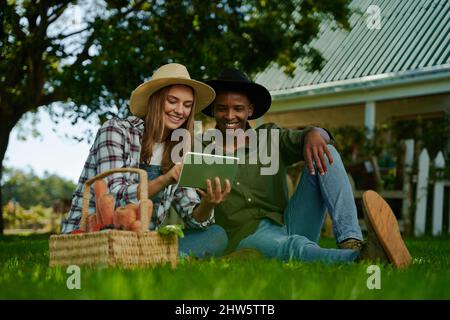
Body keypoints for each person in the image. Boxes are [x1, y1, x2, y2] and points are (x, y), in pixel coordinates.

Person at [200, 68, 411, 267]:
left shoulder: (270, 137)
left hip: (292, 222)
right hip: (246, 237)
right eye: (221, 108)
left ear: (250, 110)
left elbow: (318, 137)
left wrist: (314, 132)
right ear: (213, 110)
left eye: (238, 108)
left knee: (327, 152)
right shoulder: (200, 150)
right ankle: (361, 259)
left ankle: (351, 240)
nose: (229, 115)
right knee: (293, 247)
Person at [61, 63, 231, 258]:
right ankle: (170, 258)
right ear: (156, 100)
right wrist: (165, 179)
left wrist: (208, 203)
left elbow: (192, 217)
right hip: (96, 235)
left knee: (216, 235)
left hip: (144, 240)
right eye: (172, 101)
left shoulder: (178, 147)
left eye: (187, 105)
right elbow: (113, 200)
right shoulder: (116, 131)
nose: (180, 111)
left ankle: (157, 256)